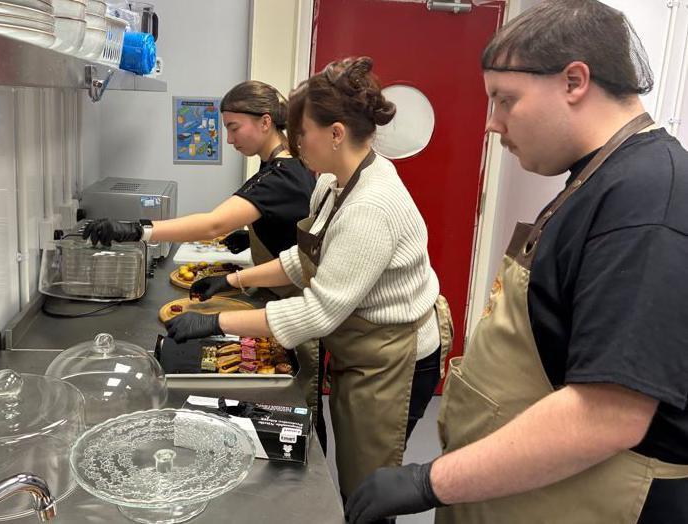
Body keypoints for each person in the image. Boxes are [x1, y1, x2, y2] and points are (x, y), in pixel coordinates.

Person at [344, 1, 688, 523]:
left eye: (506, 101)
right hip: (523, 490)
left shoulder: (646, 200)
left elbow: (608, 415)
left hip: (590, 499)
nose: (492, 124)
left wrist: (429, 479)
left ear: (575, 81)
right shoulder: (597, 175)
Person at [165, 56, 447, 499]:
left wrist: (217, 322)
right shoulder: (333, 183)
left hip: (394, 357)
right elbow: (305, 258)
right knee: (352, 473)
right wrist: (236, 283)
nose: (295, 141)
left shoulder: (370, 207)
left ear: (336, 133)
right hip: (361, 348)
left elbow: (317, 313)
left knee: (370, 486)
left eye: (302, 132)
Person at [82, 81, 315, 297]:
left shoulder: (282, 175)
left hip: (293, 296)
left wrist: (136, 230)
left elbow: (213, 224)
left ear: (265, 122)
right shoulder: (282, 163)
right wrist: (258, 237)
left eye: (234, 128)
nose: (230, 140)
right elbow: (284, 218)